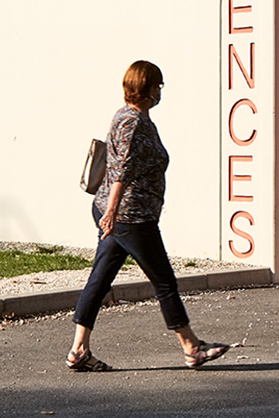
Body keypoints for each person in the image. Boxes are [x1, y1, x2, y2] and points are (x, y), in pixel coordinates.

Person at [66, 60, 230, 372]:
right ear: (147, 88)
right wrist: (112, 213)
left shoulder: (130, 116)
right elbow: (121, 169)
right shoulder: (133, 122)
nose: (160, 90)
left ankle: (78, 351)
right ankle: (191, 347)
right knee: (164, 281)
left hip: (123, 215)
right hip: (130, 216)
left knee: (100, 280)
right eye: (158, 85)